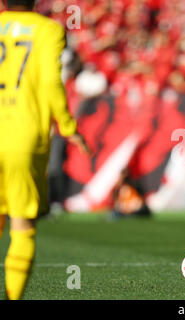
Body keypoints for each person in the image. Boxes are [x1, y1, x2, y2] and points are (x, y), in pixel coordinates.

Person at [0, 0, 91, 300]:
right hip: (21, 137)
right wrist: (68, 127)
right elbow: (52, 82)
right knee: (22, 224)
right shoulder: (48, 29)